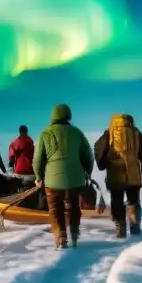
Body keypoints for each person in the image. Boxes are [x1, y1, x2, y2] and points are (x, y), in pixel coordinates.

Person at [33, 103, 94, 249]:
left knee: (55, 208)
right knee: (74, 206)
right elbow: (88, 156)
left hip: (53, 180)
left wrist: (38, 177)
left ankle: (61, 235)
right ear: (68, 115)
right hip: (76, 179)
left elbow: (37, 160)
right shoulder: (77, 133)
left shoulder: (45, 133)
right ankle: (74, 232)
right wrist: (87, 172)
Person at [94, 113, 142, 238]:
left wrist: (103, 164)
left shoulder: (109, 133)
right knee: (133, 201)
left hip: (115, 176)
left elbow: (98, 149)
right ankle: (135, 228)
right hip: (133, 176)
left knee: (117, 201)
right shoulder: (136, 133)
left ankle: (120, 230)